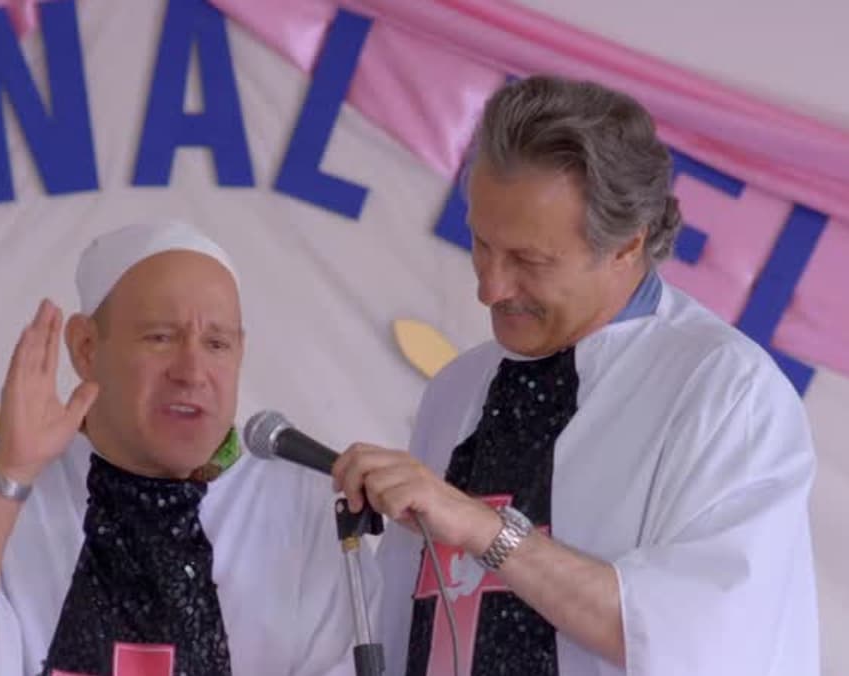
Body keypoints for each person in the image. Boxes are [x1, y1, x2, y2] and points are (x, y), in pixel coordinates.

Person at [330, 75, 821, 675]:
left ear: (627, 245)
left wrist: (485, 530)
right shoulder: (459, 388)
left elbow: (708, 641)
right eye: (481, 244)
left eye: (529, 261)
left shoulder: (727, 394)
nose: (490, 288)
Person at [0, 221, 359, 675]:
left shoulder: (299, 500)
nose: (192, 372)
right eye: (160, 337)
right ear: (86, 348)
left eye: (217, 344)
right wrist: (11, 472)